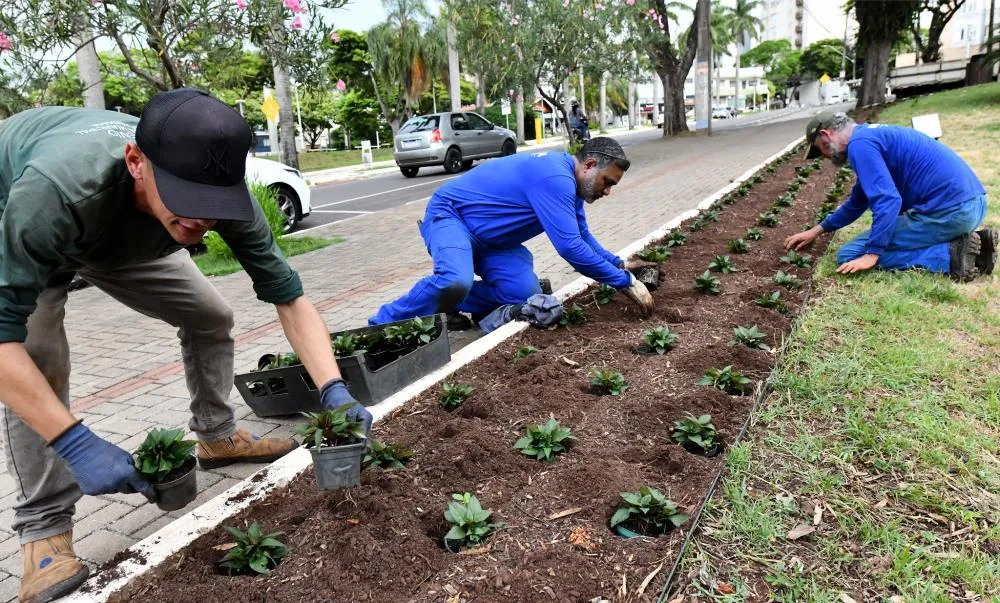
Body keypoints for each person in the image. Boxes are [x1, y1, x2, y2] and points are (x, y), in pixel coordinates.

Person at [0, 89, 371, 603]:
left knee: (211, 315)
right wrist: (74, 441)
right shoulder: (53, 190)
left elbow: (290, 298)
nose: (201, 220)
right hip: (26, 222)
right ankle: (43, 532)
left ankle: (217, 437)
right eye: (188, 199)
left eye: (213, 206)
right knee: (36, 354)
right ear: (136, 162)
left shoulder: (216, 191)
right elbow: (1, 342)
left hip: (126, 230)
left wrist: (334, 389)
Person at [368, 137, 654, 327]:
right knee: (455, 279)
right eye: (608, 182)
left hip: (494, 242)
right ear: (590, 165)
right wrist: (624, 282)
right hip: (452, 218)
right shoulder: (555, 177)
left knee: (523, 293)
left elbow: (582, 238)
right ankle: (380, 323)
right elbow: (570, 249)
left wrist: (618, 263)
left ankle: (442, 302)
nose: (607, 191)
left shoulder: (573, 188)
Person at [786, 110, 996, 281]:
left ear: (826, 135)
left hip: (950, 212)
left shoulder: (860, 146)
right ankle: (978, 248)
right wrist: (816, 231)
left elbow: (887, 200)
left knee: (850, 255)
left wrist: (872, 254)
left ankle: (951, 256)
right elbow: (857, 202)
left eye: (821, 149)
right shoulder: (870, 136)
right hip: (972, 205)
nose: (825, 156)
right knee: (874, 243)